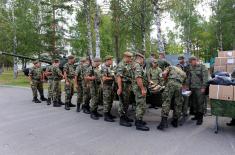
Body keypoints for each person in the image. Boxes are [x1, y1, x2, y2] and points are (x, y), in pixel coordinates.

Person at [157, 66, 186, 130]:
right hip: (179, 86)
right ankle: (175, 121)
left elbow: (164, 74)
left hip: (171, 83)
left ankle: (163, 122)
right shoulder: (184, 73)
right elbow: (184, 85)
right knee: (178, 103)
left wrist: (165, 80)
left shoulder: (171, 67)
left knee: (166, 101)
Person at [186, 56, 208, 125]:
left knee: (200, 103)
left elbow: (205, 78)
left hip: (199, 88)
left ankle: (200, 119)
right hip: (192, 88)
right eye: (190, 62)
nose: (190, 63)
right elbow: (189, 77)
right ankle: (196, 115)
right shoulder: (190, 67)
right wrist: (187, 86)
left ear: (195, 60)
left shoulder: (202, 67)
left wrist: (204, 87)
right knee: (194, 103)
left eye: (191, 62)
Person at [132, 52, 150, 131]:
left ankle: (138, 120)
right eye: (143, 59)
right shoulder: (137, 66)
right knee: (140, 105)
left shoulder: (136, 65)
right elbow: (138, 78)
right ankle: (138, 123)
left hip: (138, 88)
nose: (143, 60)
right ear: (140, 58)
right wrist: (142, 89)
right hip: (139, 89)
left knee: (140, 104)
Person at [116, 51, 134, 127]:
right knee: (122, 102)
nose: (130, 59)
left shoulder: (127, 64)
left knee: (126, 102)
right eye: (129, 57)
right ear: (126, 57)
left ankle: (125, 116)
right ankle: (122, 119)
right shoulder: (121, 65)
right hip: (123, 86)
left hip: (127, 86)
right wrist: (120, 88)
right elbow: (118, 77)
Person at [101, 55, 116, 122]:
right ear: (107, 60)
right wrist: (112, 78)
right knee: (106, 101)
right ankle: (106, 115)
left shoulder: (109, 67)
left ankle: (109, 113)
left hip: (111, 87)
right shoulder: (104, 68)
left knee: (110, 101)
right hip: (106, 87)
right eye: (111, 60)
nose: (112, 61)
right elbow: (104, 78)